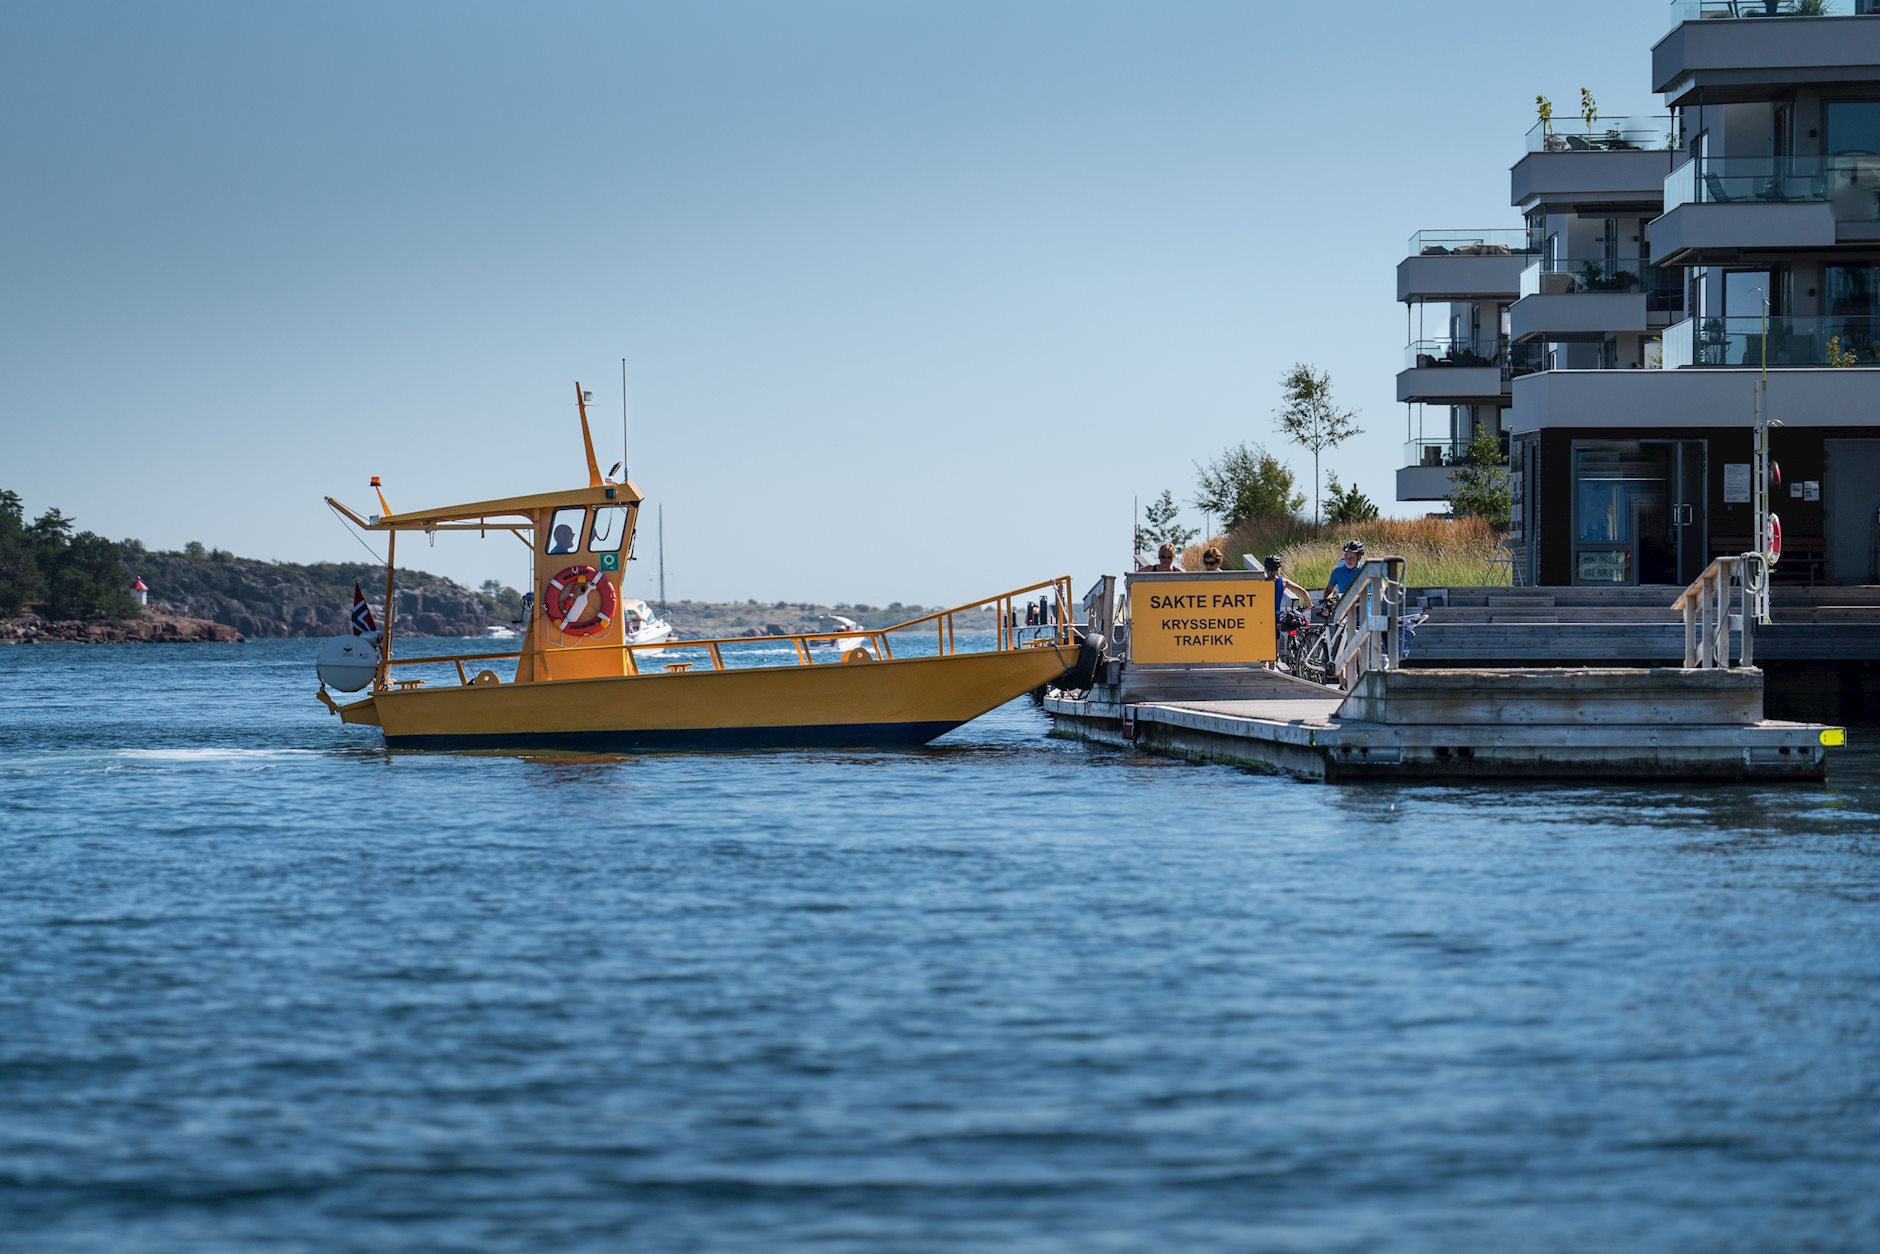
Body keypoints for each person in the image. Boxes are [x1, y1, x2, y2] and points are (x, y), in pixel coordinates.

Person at [1324, 539, 1366, 604]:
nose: (1348, 560)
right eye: (1346, 556)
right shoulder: (1337, 572)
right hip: (1345, 610)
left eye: (1352, 557)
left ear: (1359, 557)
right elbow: (1329, 590)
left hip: (1365, 609)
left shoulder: (1366, 569)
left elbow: (1380, 586)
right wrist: (1327, 603)